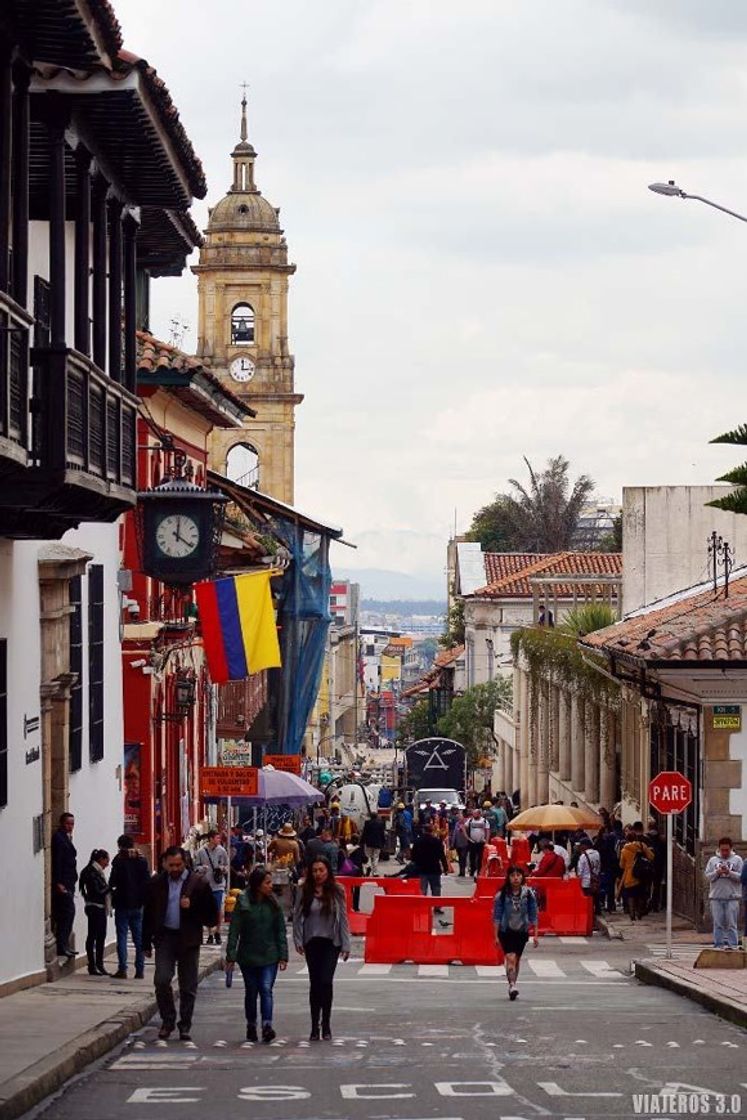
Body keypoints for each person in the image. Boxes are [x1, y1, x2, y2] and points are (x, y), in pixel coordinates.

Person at [142, 845, 219, 1041]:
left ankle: (185, 1024)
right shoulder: (156, 884)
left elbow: (211, 917)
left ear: (184, 863)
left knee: (188, 985)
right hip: (165, 937)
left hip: (189, 938)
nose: (175, 869)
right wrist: (145, 942)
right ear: (165, 864)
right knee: (161, 979)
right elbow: (149, 914)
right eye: (171, 865)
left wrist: (192, 907)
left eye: (178, 865)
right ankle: (168, 1019)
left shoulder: (199, 884)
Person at [226, 867, 288, 1043]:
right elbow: (234, 930)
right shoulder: (243, 902)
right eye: (267, 883)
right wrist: (231, 955)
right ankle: (251, 1024)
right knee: (251, 991)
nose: (271, 886)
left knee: (266, 989)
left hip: (270, 955)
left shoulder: (273, 904)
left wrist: (283, 955)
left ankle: (267, 1025)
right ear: (257, 885)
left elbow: (280, 931)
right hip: (248, 955)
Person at [292, 857, 351, 1041]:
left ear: (328, 871)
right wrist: (298, 939)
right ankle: (314, 1026)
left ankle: (326, 1023)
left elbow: (343, 917)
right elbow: (297, 915)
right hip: (312, 941)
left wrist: (346, 943)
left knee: (326, 981)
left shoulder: (337, 890)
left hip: (331, 942)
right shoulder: (303, 890)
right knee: (315, 983)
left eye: (321, 870)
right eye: (315, 870)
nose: (318, 874)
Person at [493, 865, 538, 1001]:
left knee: (516, 959)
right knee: (510, 957)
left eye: (518, 875)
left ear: (522, 877)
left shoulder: (529, 894)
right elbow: (497, 916)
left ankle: (513, 983)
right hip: (505, 930)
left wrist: (535, 935)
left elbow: (534, 914)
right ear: (508, 878)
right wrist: (495, 935)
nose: (516, 878)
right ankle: (512, 985)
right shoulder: (501, 895)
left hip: (521, 931)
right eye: (512, 875)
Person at [109, 834, 150, 979]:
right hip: (138, 904)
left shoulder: (118, 861)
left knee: (122, 937)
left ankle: (123, 969)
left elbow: (112, 882)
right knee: (138, 938)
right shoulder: (141, 860)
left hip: (122, 903)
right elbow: (146, 882)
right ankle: (140, 970)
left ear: (120, 845)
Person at [705, 837, 744, 950]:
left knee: (732, 923)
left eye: (727, 850)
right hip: (716, 896)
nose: (724, 852)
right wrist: (717, 872)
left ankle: (733, 945)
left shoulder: (737, 860)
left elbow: (741, 877)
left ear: (731, 848)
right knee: (718, 923)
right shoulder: (713, 860)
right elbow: (708, 877)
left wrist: (729, 872)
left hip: (732, 896)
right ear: (719, 848)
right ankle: (718, 945)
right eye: (722, 850)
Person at [193, 829, 229, 946]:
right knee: (207, 910)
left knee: (218, 909)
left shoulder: (222, 851)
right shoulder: (201, 852)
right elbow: (195, 867)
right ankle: (209, 934)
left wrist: (223, 868)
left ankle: (217, 931)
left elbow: (227, 865)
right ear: (211, 839)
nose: (219, 840)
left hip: (218, 884)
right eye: (217, 838)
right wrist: (202, 868)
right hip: (206, 884)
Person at [79, 849, 111, 976]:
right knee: (94, 936)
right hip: (95, 907)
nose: (107, 864)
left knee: (99, 936)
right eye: (106, 861)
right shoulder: (92, 873)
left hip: (97, 907)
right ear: (101, 859)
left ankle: (98, 964)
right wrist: (110, 887)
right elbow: (97, 891)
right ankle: (94, 965)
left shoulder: (94, 871)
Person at [51, 811, 78, 960]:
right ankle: (62, 945)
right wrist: (58, 882)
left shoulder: (67, 838)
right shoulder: (59, 838)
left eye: (72, 824)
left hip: (69, 882)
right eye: (68, 823)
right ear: (62, 823)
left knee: (68, 914)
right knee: (67, 913)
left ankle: (65, 945)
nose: (70, 826)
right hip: (63, 884)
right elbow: (58, 861)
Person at [617, 823, 654, 922]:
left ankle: (632, 914)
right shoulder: (642, 845)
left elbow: (621, 865)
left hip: (629, 875)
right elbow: (651, 857)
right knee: (641, 894)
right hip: (641, 874)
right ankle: (639, 913)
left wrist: (629, 864)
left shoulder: (624, 850)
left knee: (631, 896)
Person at [411, 821, 449, 897]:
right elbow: (442, 856)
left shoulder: (418, 841)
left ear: (423, 830)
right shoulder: (437, 841)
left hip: (422, 868)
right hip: (434, 868)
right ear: (432, 831)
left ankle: (423, 906)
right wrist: (445, 867)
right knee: (436, 888)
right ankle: (437, 906)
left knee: (422, 889)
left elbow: (413, 856)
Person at [576, 836, 602, 915]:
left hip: (586, 882)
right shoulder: (597, 853)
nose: (579, 847)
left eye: (580, 845)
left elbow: (580, 871)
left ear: (585, 845)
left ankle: (590, 916)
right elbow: (599, 866)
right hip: (595, 880)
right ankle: (597, 912)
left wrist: (578, 879)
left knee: (588, 900)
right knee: (596, 898)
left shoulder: (583, 856)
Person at [465, 807, 489, 879]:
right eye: (473, 814)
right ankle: (472, 871)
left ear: (479, 814)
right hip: (473, 842)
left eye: (475, 814)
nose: (474, 815)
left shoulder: (484, 821)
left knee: (480, 858)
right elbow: (464, 827)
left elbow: (487, 831)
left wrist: (486, 842)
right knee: (472, 857)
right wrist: (468, 838)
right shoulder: (470, 820)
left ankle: (479, 871)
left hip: (481, 842)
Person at [452, 811, 470, 877]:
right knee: (460, 858)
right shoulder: (457, 824)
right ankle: (461, 871)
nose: (459, 818)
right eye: (458, 817)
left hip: (465, 844)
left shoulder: (466, 824)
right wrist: (453, 843)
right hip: (458, 844)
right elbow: (454, 834)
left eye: (460, 816)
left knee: (463, 857)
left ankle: (463, 871)